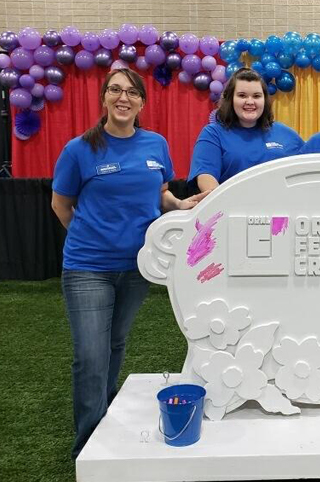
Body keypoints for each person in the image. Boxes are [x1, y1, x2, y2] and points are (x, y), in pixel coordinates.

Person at [51, 69, 206, 459]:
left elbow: (160, 193)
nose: (123, 97)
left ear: (141, 102)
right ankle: (88, 441)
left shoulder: (155, 144)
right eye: (116, 90)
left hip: (137, 266)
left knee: (115, 342)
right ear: (104, 98)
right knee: (90, 354)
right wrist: (91, 237)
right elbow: (61, 205)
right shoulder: (79, 150)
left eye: (132, 92)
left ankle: (104, 418)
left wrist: (178, 205)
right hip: (88, 267)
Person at [189, 68, 304, 192]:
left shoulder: (287, 135)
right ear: (230, 99)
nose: (250, 102)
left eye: (256, 96)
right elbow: (206, 177)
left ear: (265, 100)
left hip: (281, 209)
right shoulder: (213, 134)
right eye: (242, 95)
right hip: (233, 209)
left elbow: (306, 172)